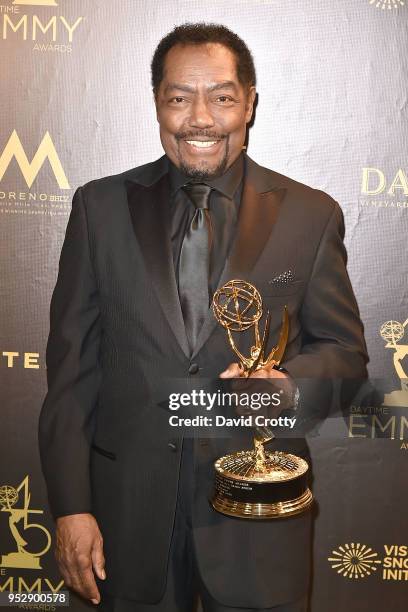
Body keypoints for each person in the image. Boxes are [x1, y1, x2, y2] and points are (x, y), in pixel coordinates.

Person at [39, 23, 368, 612]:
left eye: (220, 97)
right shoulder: (99, 208)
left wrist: (287, 388)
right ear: (157, 104)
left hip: (257, 516)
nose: (199, 119)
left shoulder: (311, 215)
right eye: (178, 97)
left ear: (249, 102)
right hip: (125, 521)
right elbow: (70, 376)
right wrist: (71, 506)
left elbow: (345, 353)